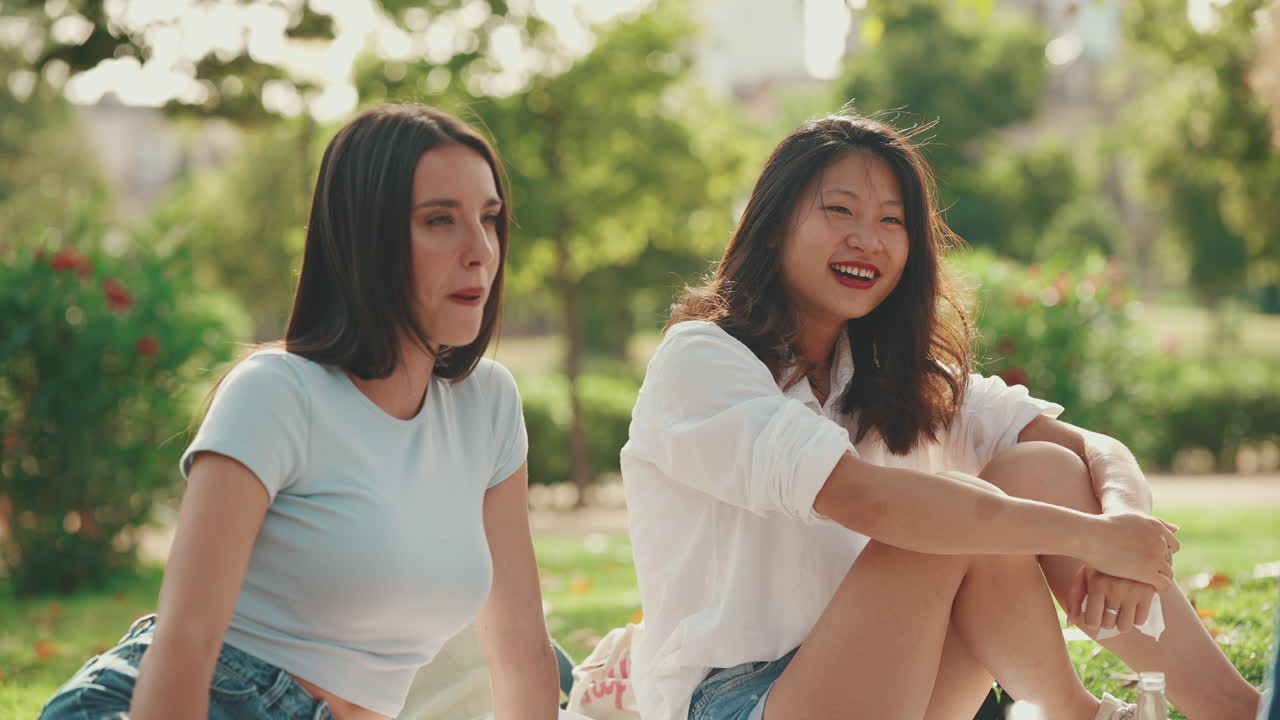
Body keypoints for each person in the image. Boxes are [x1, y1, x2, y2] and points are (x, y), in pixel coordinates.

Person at [620, 111, 1263, 720]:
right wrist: (1092, 539)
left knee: (1036, 469)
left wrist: (1126, 520)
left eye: (891, 221)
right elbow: (866, 500)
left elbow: (1090, 450)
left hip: (893, 680)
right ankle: (1078, 715)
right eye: (839, 210)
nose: (866, 239)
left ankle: (1238, 712)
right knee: (942, 517)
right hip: (738, 702)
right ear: (770, 226)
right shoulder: (701, 360)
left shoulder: (890, 379)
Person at [38, 104, 560, 720]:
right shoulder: (276, 394)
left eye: (490, 218)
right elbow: (187, 642)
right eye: (440, 220)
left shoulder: (489, 405)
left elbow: (520, 650)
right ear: (367, 239)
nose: (480, 250)